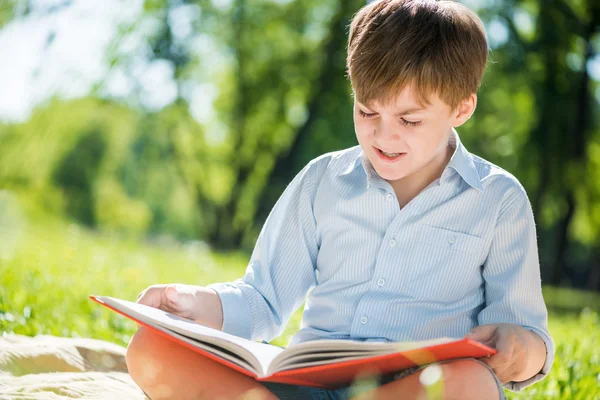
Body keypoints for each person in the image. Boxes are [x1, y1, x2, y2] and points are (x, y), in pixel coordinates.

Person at [125, 1, 554, 399]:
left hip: (412, 388)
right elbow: (263, 299)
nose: (383, 136)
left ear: (461, 109)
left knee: (469, 384)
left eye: (409, 119)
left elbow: (528, 337)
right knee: (151, 349)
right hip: (306, 383)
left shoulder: (498, 200)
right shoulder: (322, 181)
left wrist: (519, 347)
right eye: (367, 112)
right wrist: (194, 303)